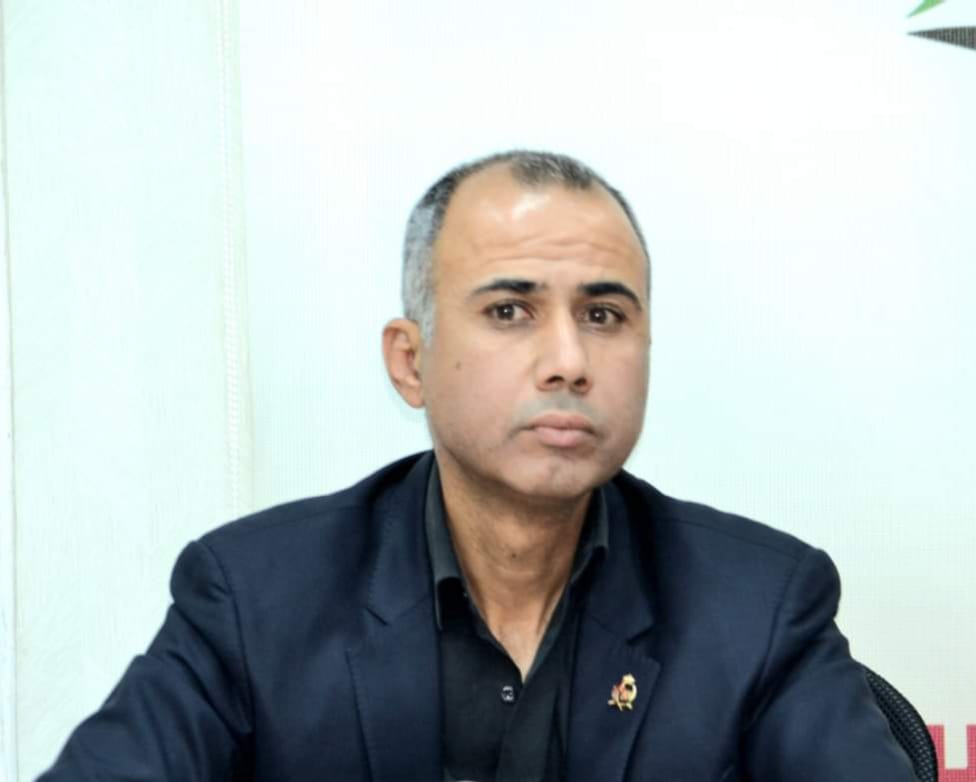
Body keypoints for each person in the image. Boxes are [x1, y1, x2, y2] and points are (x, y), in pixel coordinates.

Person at [38, 150, 917, 781]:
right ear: (409, 360)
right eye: (509, 311)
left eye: (604, 316)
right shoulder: (256, 600)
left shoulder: (759, 605)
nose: (568, 360)